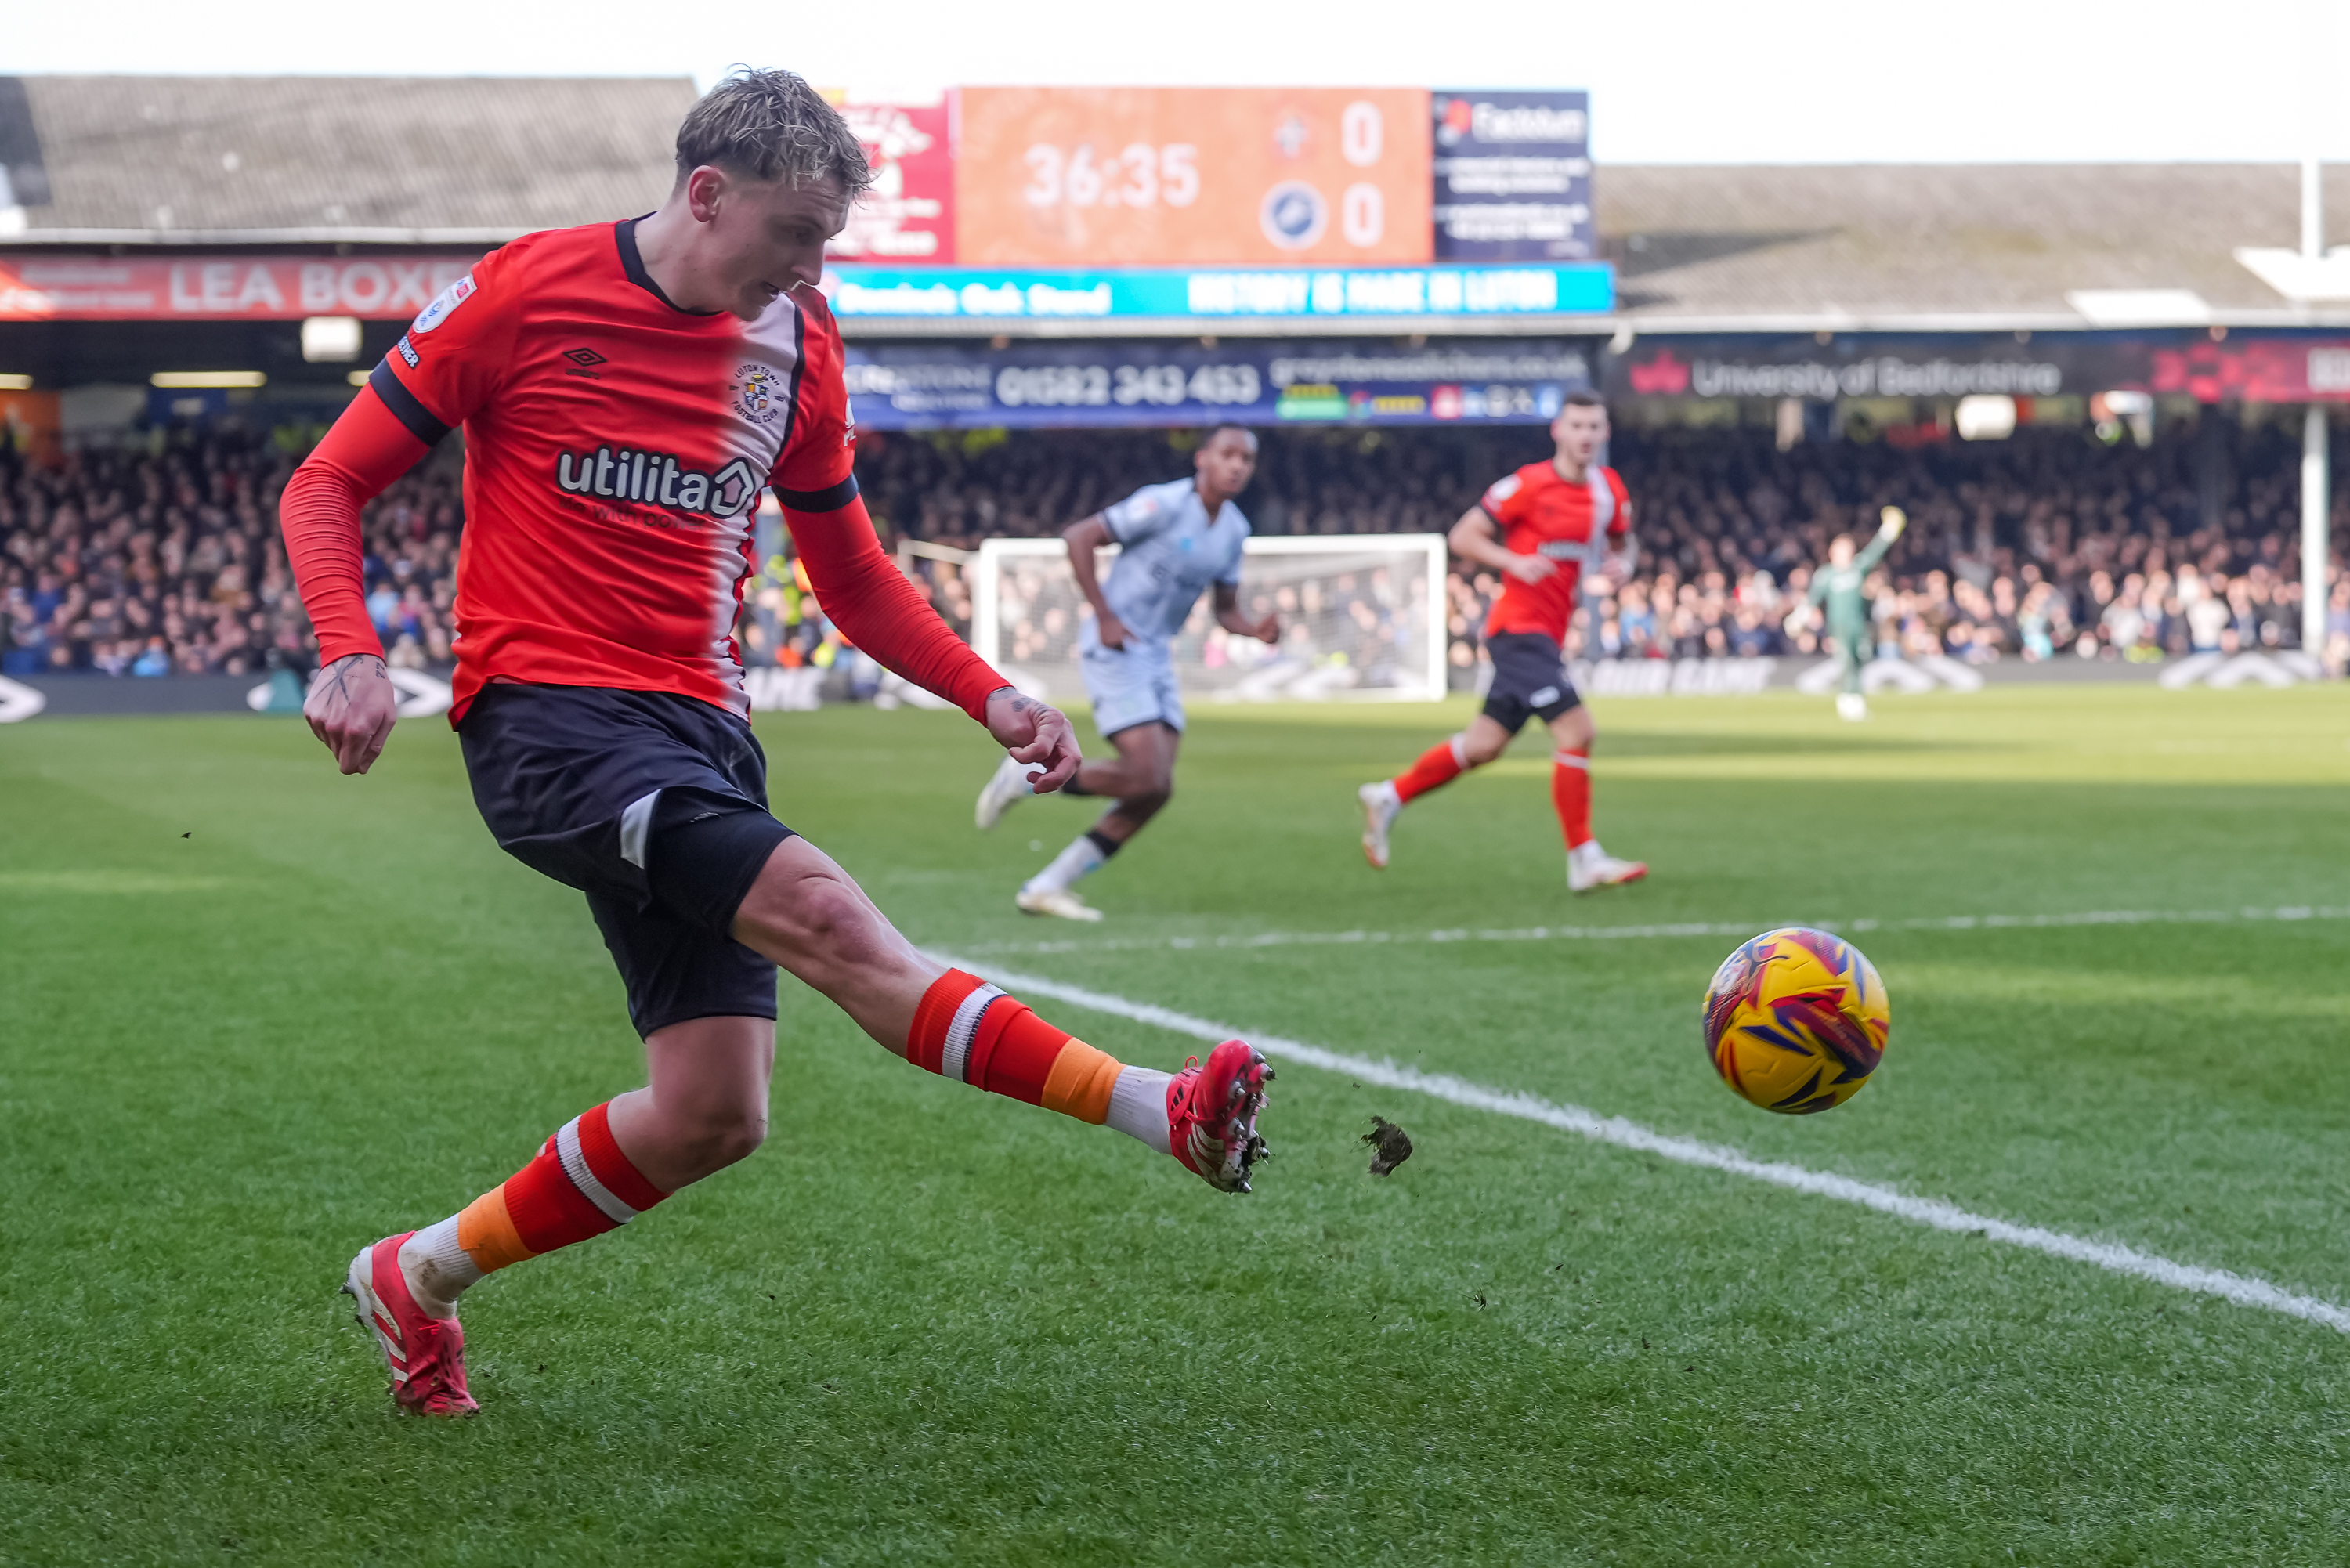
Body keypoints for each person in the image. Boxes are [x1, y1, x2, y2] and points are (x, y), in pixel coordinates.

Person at [279, 70, 1272, 1420]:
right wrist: (347, 646)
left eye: (828, 242)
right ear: (707, 193)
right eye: (796, 233)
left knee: (711, 1113)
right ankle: (1167, 1109)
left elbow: (849, 571)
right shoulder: (527, 290)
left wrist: (989, 695)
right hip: (551, 721)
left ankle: (416, 1275)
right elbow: (328, 478)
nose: (813, 268)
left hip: (701, 729)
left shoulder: (800, 341)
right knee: (830, 917)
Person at [971, 425, 1278, 920]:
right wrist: (1105, 614)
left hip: (1156, 656)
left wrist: (1254, 629)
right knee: (1145, 774)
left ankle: (1047, 886)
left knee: (1155, 789)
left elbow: (1225, 609)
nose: (1238, 465)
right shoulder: (1163, 504)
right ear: (1202, 458)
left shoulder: (1234, 531)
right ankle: (1026, 775)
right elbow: (1079, 537)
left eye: (1247, 458)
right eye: (1228, 454)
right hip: (1115, 647)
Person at [1355, 392, 1647, 894]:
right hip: (1517, 630)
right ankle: (1583, 857)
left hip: (1549, 635)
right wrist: (1513, 561)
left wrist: (1627, 564)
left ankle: (1390, 795)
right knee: (1577, 731)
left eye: (1594, 427)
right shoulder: (1527, 485)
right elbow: (1462, 536)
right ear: (1558, 430)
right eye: (1576, 425)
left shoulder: (1609, 491)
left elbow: (1625, 543)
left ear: (1605, 433)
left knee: (1483, 746)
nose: (1585, 435)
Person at [1792, 506, 1905, 720]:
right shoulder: (1826, 575)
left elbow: (1875, 551)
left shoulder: (1856, 569)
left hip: (1859, 625)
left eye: (1849, 549)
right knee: (1846, 663)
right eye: (1842, 549)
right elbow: (1812, 599)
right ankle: (1848, 701)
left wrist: (1889, 531)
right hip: (1839, 627)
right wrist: (1798, 619)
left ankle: (1856, 698)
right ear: (1832, 552)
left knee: (1861, 660)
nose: (1846, 553)